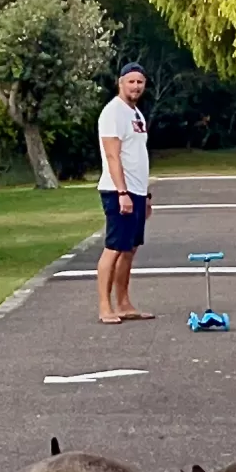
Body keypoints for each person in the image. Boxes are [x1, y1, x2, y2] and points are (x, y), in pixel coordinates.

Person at [96, 62, 153, 323]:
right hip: (118, 191)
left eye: (140, 82)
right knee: (114, 248)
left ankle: (124, 303)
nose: (136, 86)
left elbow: (137, 156)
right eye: (131, 81)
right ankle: (105, 307)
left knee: (129, 249)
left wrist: (146, 195)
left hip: (137, 192)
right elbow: (112, 155)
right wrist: (122, 192)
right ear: (120, 83)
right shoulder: (113, 113)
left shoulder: (136, 114)